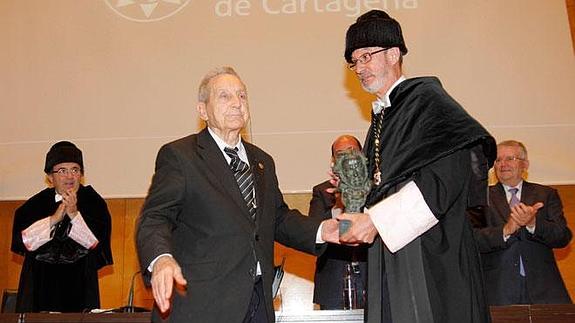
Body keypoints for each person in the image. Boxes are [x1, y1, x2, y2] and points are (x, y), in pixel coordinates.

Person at [135, 66, 339, 323]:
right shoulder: (181, 156)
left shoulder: (263, 161)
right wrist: (161, 259)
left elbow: (277, 219)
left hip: (258, 305)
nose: (237, 103)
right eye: (224, 96)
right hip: (202, 307)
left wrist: (321, 231)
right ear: (202, 110)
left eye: (242, 96)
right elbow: (155, 217)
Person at [336, 10, 497, 323]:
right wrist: (354, 192)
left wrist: (376, 221)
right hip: (393, 255)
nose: (360, 68)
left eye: (367, 56)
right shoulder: (383, 118)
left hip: (430, 255)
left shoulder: (427, 100)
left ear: (394, 54)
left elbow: (447, 177)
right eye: (355, 61)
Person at [11, 141, 113, 313]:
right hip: (40, 286)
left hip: (80, 285)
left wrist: (74, 214)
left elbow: (96, 244)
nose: (70, 176)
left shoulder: (94, 203)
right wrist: (53, 219)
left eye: (75, 170)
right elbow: (25, 241)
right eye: (62, 171)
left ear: (81, 174)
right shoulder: (34, 205)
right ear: (50, 177)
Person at [468, 140, 572, 305]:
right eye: (498, 160)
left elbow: (562, 237)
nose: (503, 164)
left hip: (544, 289)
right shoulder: (480, 197)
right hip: (497, 290)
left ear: (525, 164)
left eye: (510, 159)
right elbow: (471, 241)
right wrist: (506, 230)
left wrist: (533, 223)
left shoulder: (546, 194)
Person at [309, 135, 368, 310]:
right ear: (333, 161)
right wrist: (339, 206)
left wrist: (355, 199)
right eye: (340, 154)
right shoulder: (322, 191)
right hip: (333, 281)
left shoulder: (375, 188)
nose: (347, 158)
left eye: (352, 152)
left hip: (370, 277)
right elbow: (316, 235)